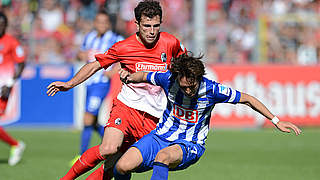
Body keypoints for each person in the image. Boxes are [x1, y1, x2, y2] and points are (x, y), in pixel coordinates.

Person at [46, 0, 186, 179]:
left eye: (156, 26)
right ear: (136, 24)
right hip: (126, 108)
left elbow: (187, 66)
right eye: (146, 26)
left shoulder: (171, 42)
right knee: (108, 148)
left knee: (117, 165)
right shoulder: (124, 47)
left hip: (154, 117)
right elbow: (95, 65)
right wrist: (70, 83)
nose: (151, 31)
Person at [113, 52, 302, 180]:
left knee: (162, 157)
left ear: (199, 78)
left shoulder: (212, 89)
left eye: (191, 86)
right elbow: (145, 75)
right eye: (184, 86)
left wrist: (276, 121)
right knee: (121, 166)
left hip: (190, 144)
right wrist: (129, 76)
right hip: (159, 137)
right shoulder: (168, 79)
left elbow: (248, 99)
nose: (187, 90)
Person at [69, 9, 124, 166]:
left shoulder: (116, 39)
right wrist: (82, 55)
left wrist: (113, 71)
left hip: (101, 84)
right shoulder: (90, 37)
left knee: (87, 117)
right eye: (99, 22)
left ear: (108, 24)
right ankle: (114, 145)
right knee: (90, 121)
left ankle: (81, 156)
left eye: (104, 22)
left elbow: (123, 59)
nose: (101, 25)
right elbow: (81, 53)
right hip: (88, 82)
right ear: (95, 23)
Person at [0, 11, 26, 166]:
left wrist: (10, 83)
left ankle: (16, 145)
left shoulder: (11, 42)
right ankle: (15, 145)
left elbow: (21, 63)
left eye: (1, 25)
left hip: (3, 88)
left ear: (5, 26)